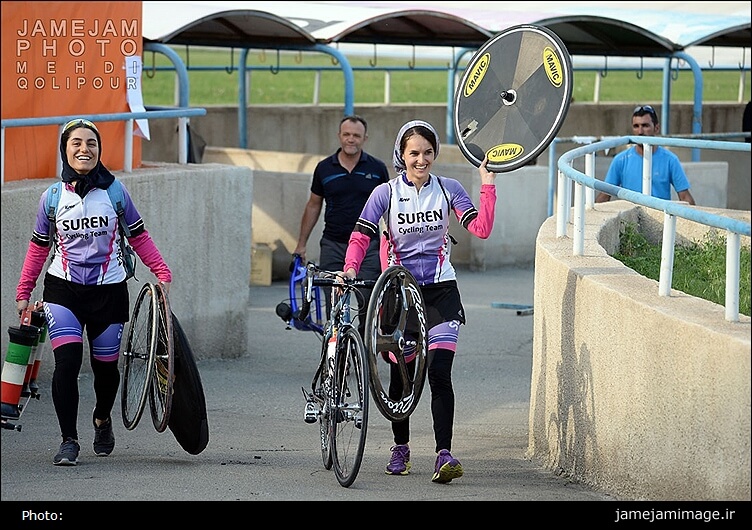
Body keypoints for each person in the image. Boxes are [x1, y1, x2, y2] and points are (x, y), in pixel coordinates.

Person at [340, 120, 497, 484]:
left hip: (441, 292)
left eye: (428, 152)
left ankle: (444, 454)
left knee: (440, 372)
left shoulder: (449, 189)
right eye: (414, 153)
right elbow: (361, 235)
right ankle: (402, 447)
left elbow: (481, 228)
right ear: (402, 155)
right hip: (399, 296)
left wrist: (487, 184)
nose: (421, 159)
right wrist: (350, 268)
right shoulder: (386, 193)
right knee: (404, 376)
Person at [14, 118, 172, 466]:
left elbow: (139, 236)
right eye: (76, 143)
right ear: (65, 150)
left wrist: (161, 271)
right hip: (62, 291)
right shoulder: (52, 198)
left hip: (109, 292)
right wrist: (24, 291)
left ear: (99, 151)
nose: (84, 149)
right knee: (67, 364)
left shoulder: (115, 192)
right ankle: (68, 439)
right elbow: (39, 247)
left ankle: (102, 419)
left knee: (106, 371)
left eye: (91, 143)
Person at [293, 115, 389, 333]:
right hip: (333, 245)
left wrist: (390, 242)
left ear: (365, 138)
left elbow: (388, 208)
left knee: (368, 303)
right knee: (334, 307)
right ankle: (335, 359)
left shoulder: (377, 168)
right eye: (346, 134)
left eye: (356, 135)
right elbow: (313, 205)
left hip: (368, 247)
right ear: (339, 136)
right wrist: (301, 244)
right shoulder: (324, 168)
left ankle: (365, 357)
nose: (351, 139)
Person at [595, 104, 696, 205]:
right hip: (630, 218)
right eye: (636, 126)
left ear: (656, 128)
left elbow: (685, 197)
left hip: (659, 218)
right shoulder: (620, 160)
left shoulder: (670, 160)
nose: (640, 131)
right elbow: (604, 196)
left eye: (645, 126)